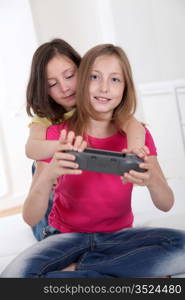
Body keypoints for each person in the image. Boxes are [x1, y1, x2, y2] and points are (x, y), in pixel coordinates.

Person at [3, 43, 185, 278]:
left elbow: (166, 203)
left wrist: (152, 180)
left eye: (115, 80)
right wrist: (49, 175)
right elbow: (30, 216)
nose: (104, 88)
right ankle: (126, 274)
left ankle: (82, 270)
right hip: (66, 236)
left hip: (118, 237)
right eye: (94, 77)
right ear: (83, 82)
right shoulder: (57, 134)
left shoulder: (136, 135)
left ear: (125, 87)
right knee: (13, 278)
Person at [25, 39, 148, 241]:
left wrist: (134, 153)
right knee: (42, 169)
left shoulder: (96, 101)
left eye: (70, 76)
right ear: (43, 89)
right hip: (54, 164)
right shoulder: (45, 119)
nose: (64, 87)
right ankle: (47, 230)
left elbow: (132, 124)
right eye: (52, 84)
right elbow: (32, 149)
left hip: (84, 169)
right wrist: (62, 147)